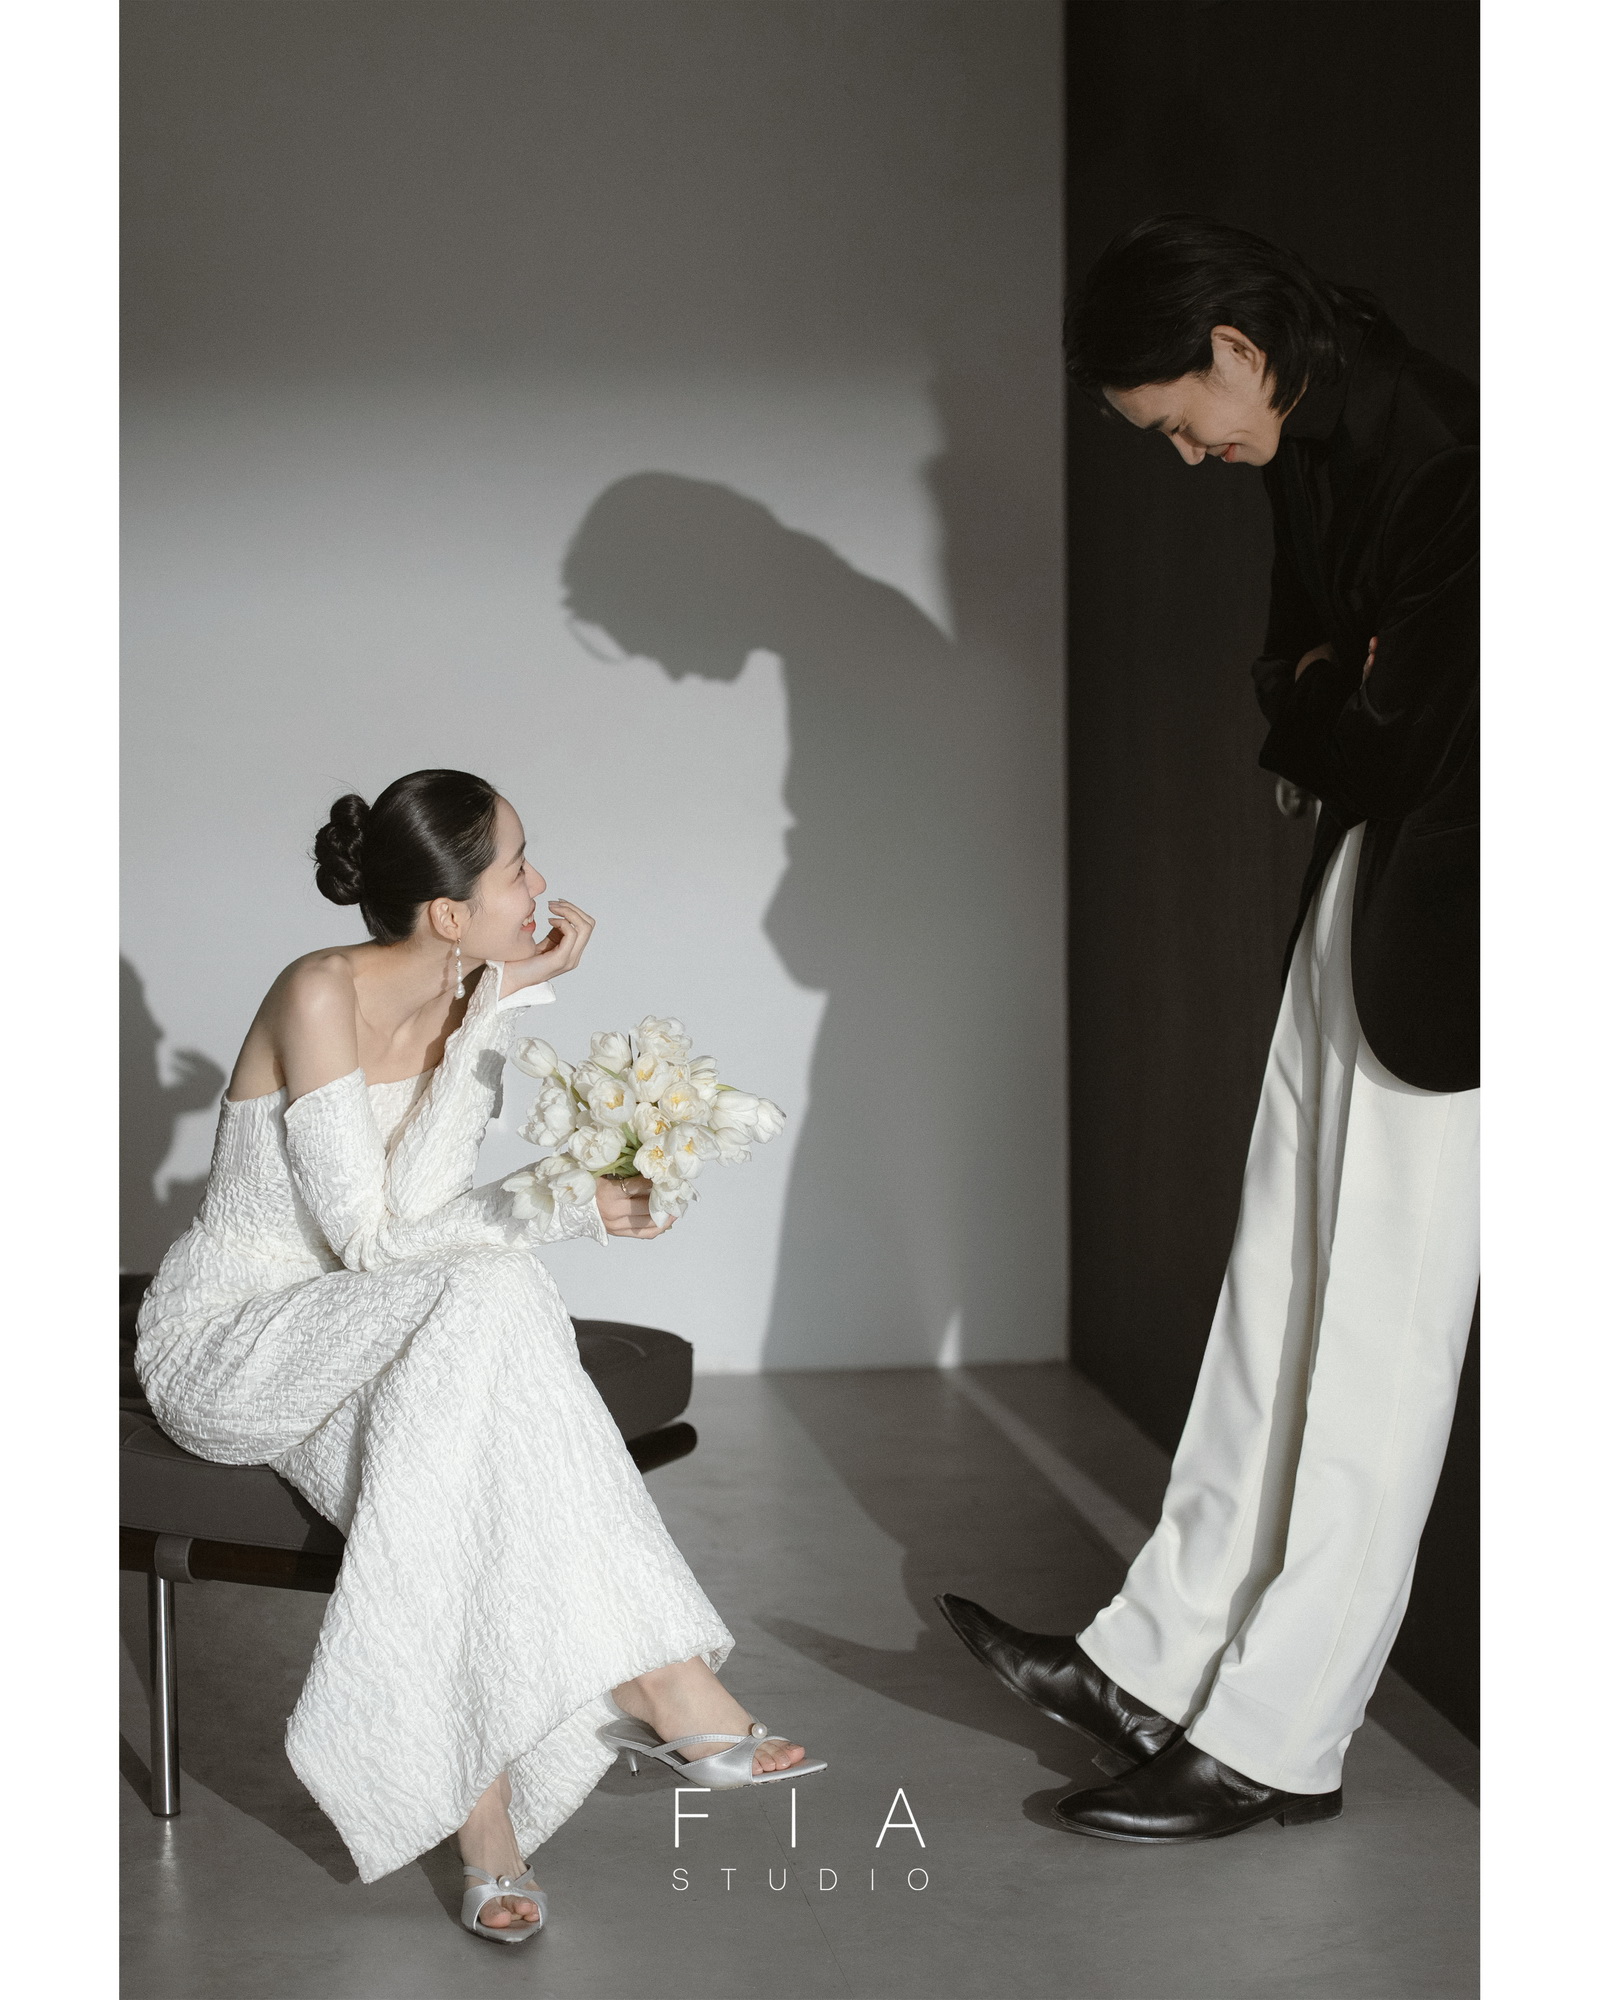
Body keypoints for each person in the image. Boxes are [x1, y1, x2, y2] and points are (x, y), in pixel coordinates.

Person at [938, 214, 1478, 1843]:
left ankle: (1276, 1739)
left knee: (1378, 1335)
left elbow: (1390, 723)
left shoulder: (1446, 453)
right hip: (1379, 873)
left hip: (1472, 919)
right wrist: (1333, 688)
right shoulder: (1311, 428)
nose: (1183, 456)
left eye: (1179, 421)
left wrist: (1337, 697)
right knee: (1277, 1284)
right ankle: (1154, 1662)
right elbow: (1298, 685)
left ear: (1238, 351)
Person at [135, 768, 824, 1939]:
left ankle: (487, 1828)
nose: (540, 883)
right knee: (492, 1282)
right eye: (516, 865)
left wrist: (493, 1006)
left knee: (436, 1468)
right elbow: (371, 1243)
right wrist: (566, 1204)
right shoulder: (316, 990)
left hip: (376, 1332)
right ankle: (659, 1674)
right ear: (449, 910)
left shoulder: (473, 1001)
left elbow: (420, 1218)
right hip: (238, 1343)